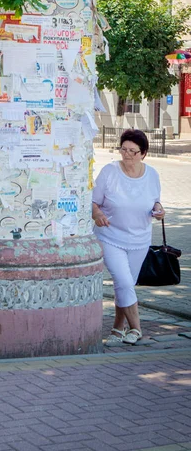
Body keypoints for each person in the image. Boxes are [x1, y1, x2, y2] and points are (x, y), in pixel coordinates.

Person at [92, 129, 165, 346]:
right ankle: (136, 329)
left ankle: (116, 329)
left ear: (143, 153)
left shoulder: (151, 174)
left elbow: (155, 201)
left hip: (139, 239)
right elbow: (92, 201)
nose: (126, 155)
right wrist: (97, 214)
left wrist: (159, 210)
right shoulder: (109, 171)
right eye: (123, 149)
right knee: (123, 281)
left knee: (126, 286)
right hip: (110, 236)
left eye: (132, 151)